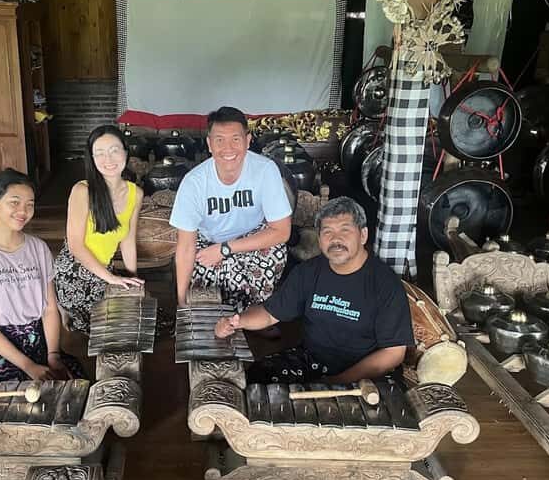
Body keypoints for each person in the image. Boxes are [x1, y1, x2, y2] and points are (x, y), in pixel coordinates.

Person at [214, 196, 413, 385]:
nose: (336, 239)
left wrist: (338, 382)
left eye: (345, 230)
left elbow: (393, 353)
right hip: (312, 360)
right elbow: (269, 314)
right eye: (327, 232)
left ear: (363, 235)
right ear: (319, 239)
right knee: (258, 377)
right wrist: (237, 322)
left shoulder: (385, 283)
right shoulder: (308, 272)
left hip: (365, 370)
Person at [0, 169, 83, 382]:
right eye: (14, 202)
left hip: (37, 339)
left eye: (30, 204)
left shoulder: (38, 248)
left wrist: (53, 355)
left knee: (75, 380)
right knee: (19, 392)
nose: (23, 211)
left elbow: (50, 308)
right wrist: (29, 366)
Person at [170, 106, 292, 310]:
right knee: (207, 291)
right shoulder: (194, 182)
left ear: (248, 140)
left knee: (276, 251)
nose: (228, 148)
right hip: (208, 243)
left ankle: (257, 313)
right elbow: (185, 247)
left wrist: (226, 249)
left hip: (248, 239)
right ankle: (234, 314)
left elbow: (282, 231)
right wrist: (181, 301)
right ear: (209, 144)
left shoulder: (265, 170)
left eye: (235, 139)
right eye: (219, 140)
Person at [53, 125, 144, 333]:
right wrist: (112, 279)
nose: (108, 159)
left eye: (114, 150)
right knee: (111, 330)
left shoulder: (135, 193)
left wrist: (133, 279)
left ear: (125, 152)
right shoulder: (82, 191)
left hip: (106, 271)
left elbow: (128, 239)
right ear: (92, 158)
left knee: (151, 322)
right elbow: (76, 245)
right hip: (74, 273)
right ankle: (63, 304)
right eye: (100, 153)